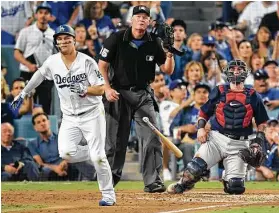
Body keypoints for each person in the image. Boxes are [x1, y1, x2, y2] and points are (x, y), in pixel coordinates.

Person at [10, 24, 116, 206]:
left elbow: (101, 89)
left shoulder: (87, 61)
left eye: (67, 37)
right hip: (70, 117)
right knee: (66, 153)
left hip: (92, 113)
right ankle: (94, 152)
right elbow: (39, 75)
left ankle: (108, 195)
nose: (63, 41)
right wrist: (24, 93)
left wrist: (85, 89)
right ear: (57, 42)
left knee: (98, 157)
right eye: (60, 38)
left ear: (74, 40)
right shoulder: (52, 61)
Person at [98, 5, 174, 193]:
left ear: (149, 22)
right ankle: (109, 180)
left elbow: (167, 70)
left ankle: (153, 181)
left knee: (152, 137)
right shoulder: (117, 38)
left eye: (145, 17)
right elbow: (102, 66)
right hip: (118, 93)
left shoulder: (154, 41)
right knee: (116, 140)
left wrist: (170, 51)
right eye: (138, 16)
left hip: (143, 95)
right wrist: (106, 88)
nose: (141, 19)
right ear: (131, 20)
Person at [167, 59, 269, 195]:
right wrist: (201, 128)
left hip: (240, 143)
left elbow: (262, 122)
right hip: (216, 139)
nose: (236, 72)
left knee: (235, 187)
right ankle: (183, 184)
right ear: (227, 72)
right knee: (194, 169)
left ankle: (228, 177)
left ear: (246, 73)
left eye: (240, 69)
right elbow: (204, 112)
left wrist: (259, 138)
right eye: (233, 69)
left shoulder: (254, 95)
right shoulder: (219, 91)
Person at [28, 112, 95, 181]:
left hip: (65, 165)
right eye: (38, 122)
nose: (42, 123)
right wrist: (55, 168)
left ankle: (92, 178)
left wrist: (65, 162)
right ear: (35, 128)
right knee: (44, 170)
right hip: (49, 169)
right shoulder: (32, 144)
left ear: (49, 122)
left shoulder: (61, 137)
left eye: (44, 120)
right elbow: (40, 163)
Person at [14, 2, 54, 114]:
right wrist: (29, 65)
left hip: (45, 75)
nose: (43, 15)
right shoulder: (25, 31)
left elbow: (57, 56)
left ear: (50, 17)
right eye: (40, 12)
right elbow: (17, 53)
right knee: (26, 104)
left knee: (45, 106)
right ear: (36, 15)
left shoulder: (53, 34)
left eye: (46, 13)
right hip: (27, 73)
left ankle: (44, 129)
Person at [169, 83, 210, 170]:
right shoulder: (184, 111)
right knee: (188, 146)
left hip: (207, 142)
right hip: (187, 142)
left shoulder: (214, 112)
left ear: (209, 96)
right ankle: (190, 173)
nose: (202, 94)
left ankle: (205, 174)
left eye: (205, 92)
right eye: (198, 92)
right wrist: (184, 128)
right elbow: (172, 129)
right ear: (193, 96)